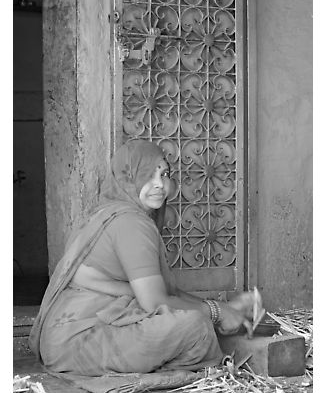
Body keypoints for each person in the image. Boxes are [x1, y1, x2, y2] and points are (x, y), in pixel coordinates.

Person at [29, 140, 258, 376]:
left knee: (188, 317)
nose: (159, 184)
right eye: (147, 175)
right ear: (128, 178)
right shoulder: (131, 223)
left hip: (61, 341)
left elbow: (161, 294)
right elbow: (155, 303)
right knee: (196, 327)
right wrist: (217, 313)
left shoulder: (107, 211)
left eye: (164, 174)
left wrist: (223, 308)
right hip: (80, 343)